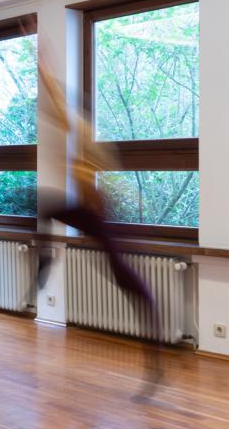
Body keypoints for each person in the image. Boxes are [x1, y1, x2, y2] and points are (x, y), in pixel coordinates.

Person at [31, 64, 164, 397]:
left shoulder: (85, 134)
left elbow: (60, 104)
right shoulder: (81, 138)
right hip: (91, 218)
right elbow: (59, 106)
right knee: (46, 207)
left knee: (137, 292)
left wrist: (44, 65)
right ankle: (46, 257)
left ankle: (155, 368)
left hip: (98, 221)